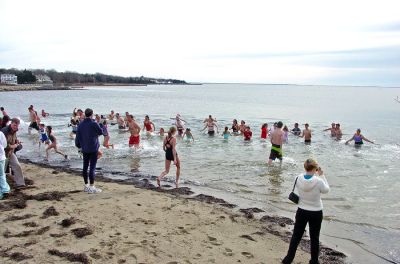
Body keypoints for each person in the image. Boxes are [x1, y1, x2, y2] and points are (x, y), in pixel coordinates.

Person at [282, 158, 330, 264]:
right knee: (314, 237)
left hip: (302, 210)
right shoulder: (319, 181)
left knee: (296, 236)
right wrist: (322, 175)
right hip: (316, 212)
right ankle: (314, 261)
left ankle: (288, 258)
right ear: (315, 168)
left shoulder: (298, 178)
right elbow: (326, 190)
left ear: (305, 167)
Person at [75, 108, 104, 193]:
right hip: (93, 148)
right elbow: (100, 132)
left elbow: (78, 137)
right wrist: (100, 124)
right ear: (92, 114)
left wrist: (79, 146)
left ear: (85, 114)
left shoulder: (80, 124)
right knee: (92, 167)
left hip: (84, 148)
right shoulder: (94, 123)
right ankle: (91, 186)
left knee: (85, 166)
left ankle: (86, 185)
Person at [1, 118, 25, 188]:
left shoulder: (15, 130)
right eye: (14, 125)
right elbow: (3, 145)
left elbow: (14, 138)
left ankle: (20, 184)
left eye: (17, 126)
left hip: (10, 153)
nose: (16, 127)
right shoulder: (4, 131)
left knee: (17, 165)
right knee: (2, 171)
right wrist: (13, 146)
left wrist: (17, 141)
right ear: (11, 123)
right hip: (2, 154)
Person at [0, 130, 10, 199]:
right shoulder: (1, 133)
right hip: (1, 156)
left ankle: (3, 191)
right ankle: (5, 190)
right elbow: (5, 145)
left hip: (1, 157)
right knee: (2, 174)